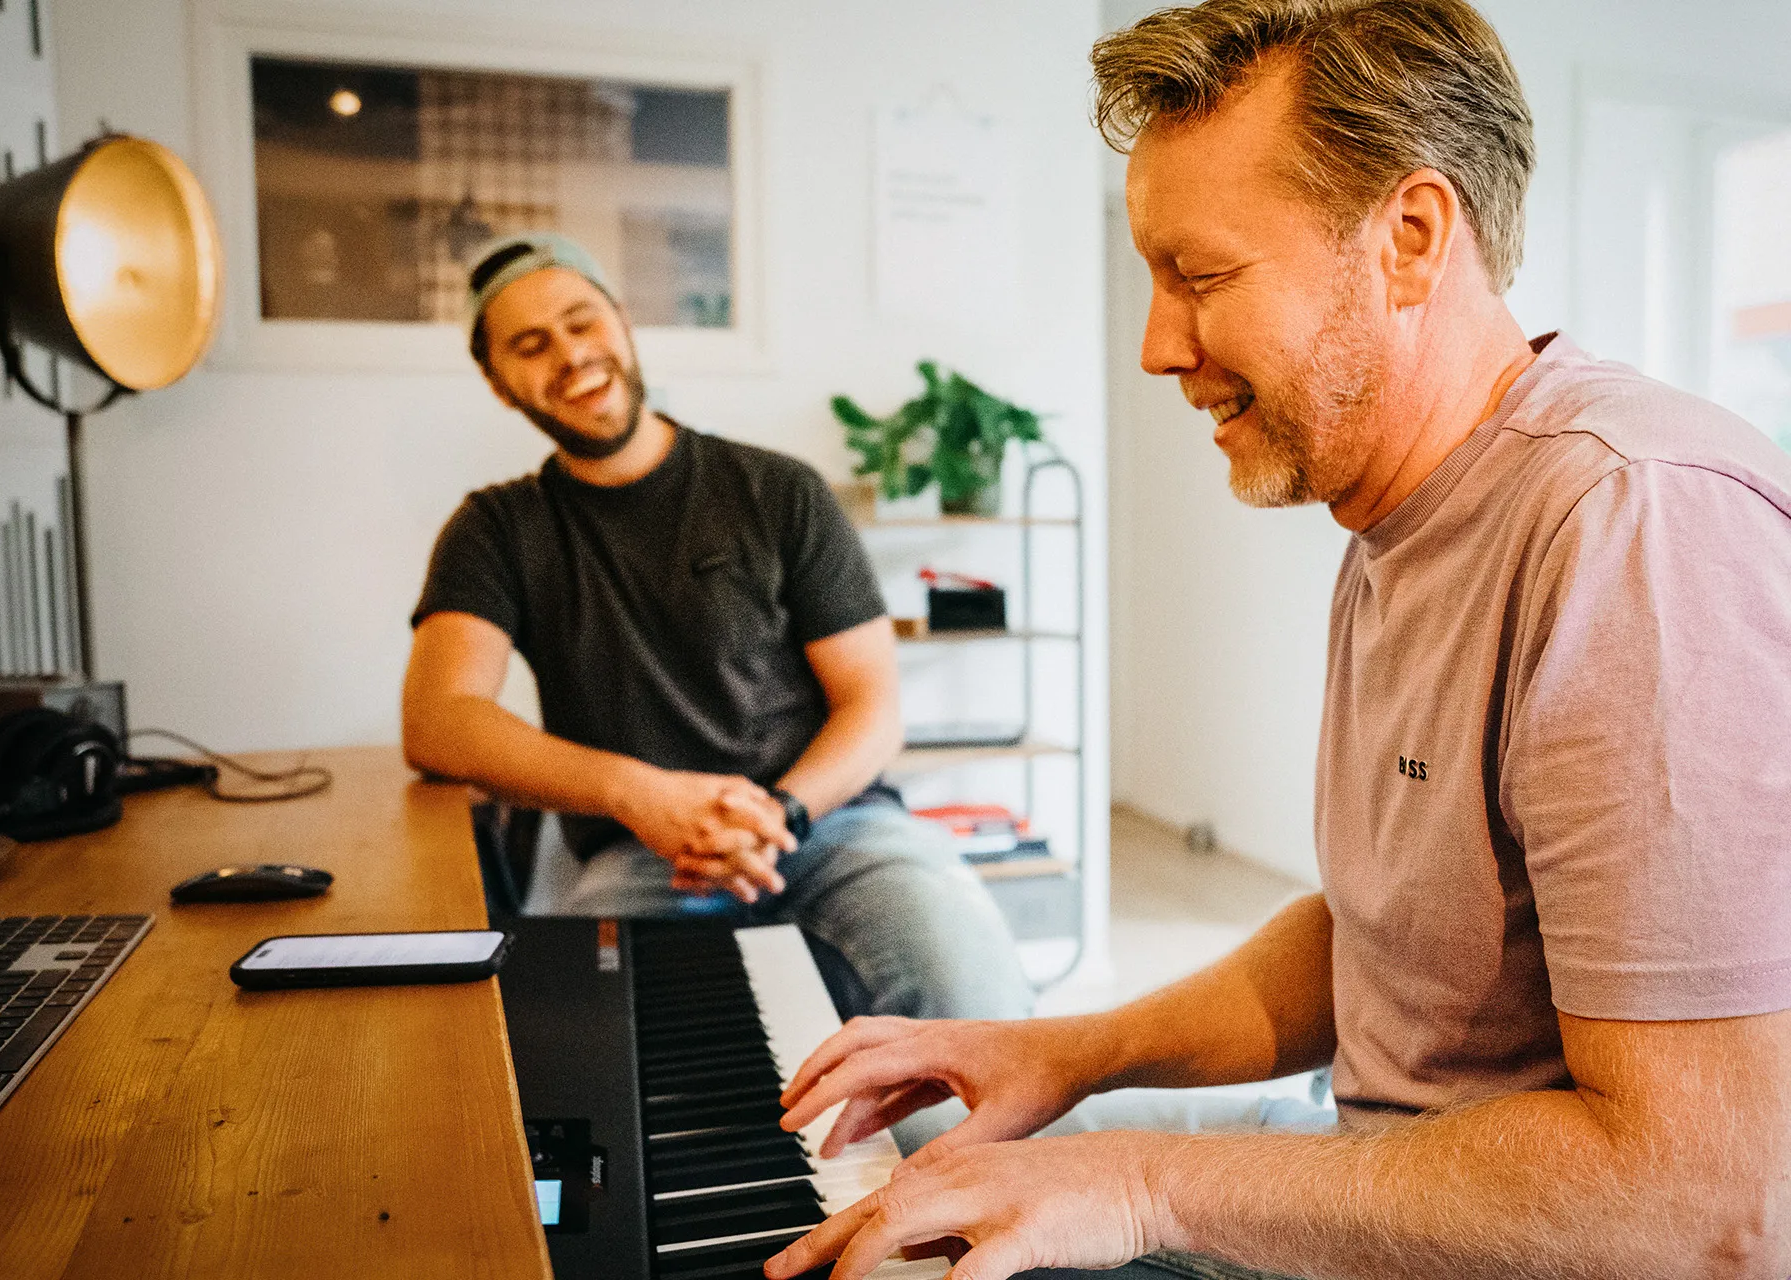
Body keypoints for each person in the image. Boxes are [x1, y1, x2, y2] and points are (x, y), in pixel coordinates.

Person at [765, 1, 1791, 1278]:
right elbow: (1387, 943)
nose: (1155, 346)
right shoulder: (1394, 511)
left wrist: (1141, 1181)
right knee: (918, 1175)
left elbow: (1698, 1198)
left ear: (1409, 240)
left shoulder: (1637, 525)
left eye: (1200, 276)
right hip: (1375, 1155)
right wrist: (1065, 1050)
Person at [400, 232, 1031, 1023]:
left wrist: (778, 814)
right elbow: (438, 721)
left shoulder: (779, 491)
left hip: (834, 826)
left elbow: (871, 706)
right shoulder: (496, 529)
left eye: (581, 321)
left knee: (976, 1012)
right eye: (530, 345)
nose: (568, 354)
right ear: (500, 384)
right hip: (642, 857)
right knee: (571, 1050)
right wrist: (639, 796)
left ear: (623, 325)